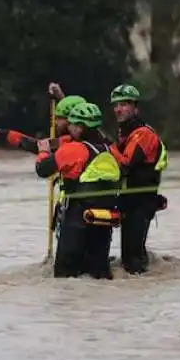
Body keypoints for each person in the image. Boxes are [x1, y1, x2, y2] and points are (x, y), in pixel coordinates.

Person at [34, 102, 121, 279]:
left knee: (65, 277)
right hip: (103, 221)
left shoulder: (73, 149)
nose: (69, 127)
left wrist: (43, 151)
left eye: (72, 124)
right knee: (99, 276)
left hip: (76, 220)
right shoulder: (111, 150)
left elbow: (43, 169)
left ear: (80, 128)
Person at [108, 84, 168, 274]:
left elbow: (126, 165)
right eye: (116, 105)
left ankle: (142, 290)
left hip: (141, 200)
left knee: (132, 259)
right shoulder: (126, 132)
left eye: (124, 104)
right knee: (130, 254)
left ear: (136, 107)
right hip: (129, 199)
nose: (119, 109)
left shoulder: (143, 134)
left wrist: (109, 147)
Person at [0, 94, 87, 154]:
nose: (55, 122)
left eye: (59, 118)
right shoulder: (99, 140)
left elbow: (34, 146)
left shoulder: (69, 144)